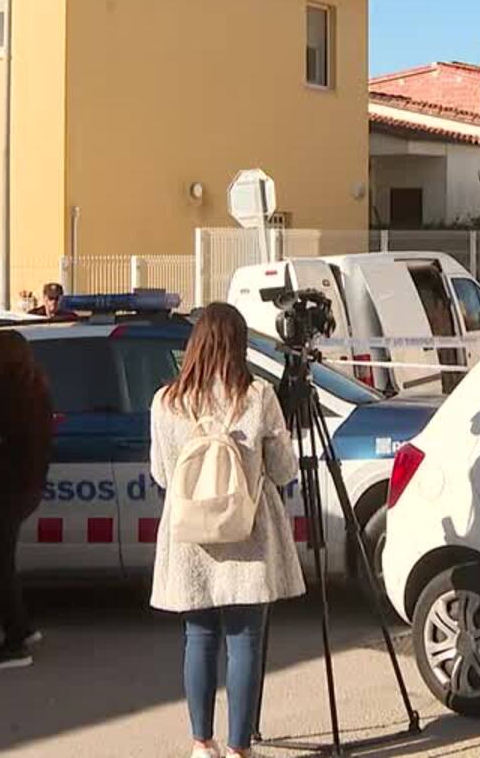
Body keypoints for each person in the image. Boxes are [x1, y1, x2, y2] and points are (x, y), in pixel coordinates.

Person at [149, 303, 304, 758]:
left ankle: (202, 743)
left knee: (198, 637)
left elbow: (162, 473)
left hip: (191, 535)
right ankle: (239, 748)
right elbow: (281, 470)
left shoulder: (166, 401)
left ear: (194, 343)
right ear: (238, 345)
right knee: (245, 641)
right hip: (247, 533)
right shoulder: (256, 396)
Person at [0, 330, 53, 670]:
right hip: (27, 486)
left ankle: (15, 641)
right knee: (1, 559)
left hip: (4, 488)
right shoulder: (36, 387)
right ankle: (23, 627)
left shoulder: (1, 393)